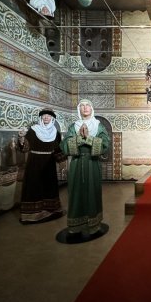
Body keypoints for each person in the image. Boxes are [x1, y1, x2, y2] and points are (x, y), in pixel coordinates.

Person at [59, 99, 110, 243]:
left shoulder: (98, 126)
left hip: (92, 164)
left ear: (92, 109)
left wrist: (88, 138)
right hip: (76, 164)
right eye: (82, 106)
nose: (85, 108)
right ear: (79, 109)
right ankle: (75, 227)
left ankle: (94, 225)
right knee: (75, 193)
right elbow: (64, 146)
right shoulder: (73, 126)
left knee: (92, 192)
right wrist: (79, 139)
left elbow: (105, 144)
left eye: (88, 105)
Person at [17, 109, 65, 224]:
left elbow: (58, 150)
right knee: (34, 187)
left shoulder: (56, 133)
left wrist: (62, 162)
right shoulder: (33, 130)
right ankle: (33, 214)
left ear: (52, 118)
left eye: (49, 116)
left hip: (49, 165)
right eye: (44, 115)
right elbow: (25, 148)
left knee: (49, 187)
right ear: (41, 118)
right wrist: (21, 138)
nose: (46, 117)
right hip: (34, 164)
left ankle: (51, 211)